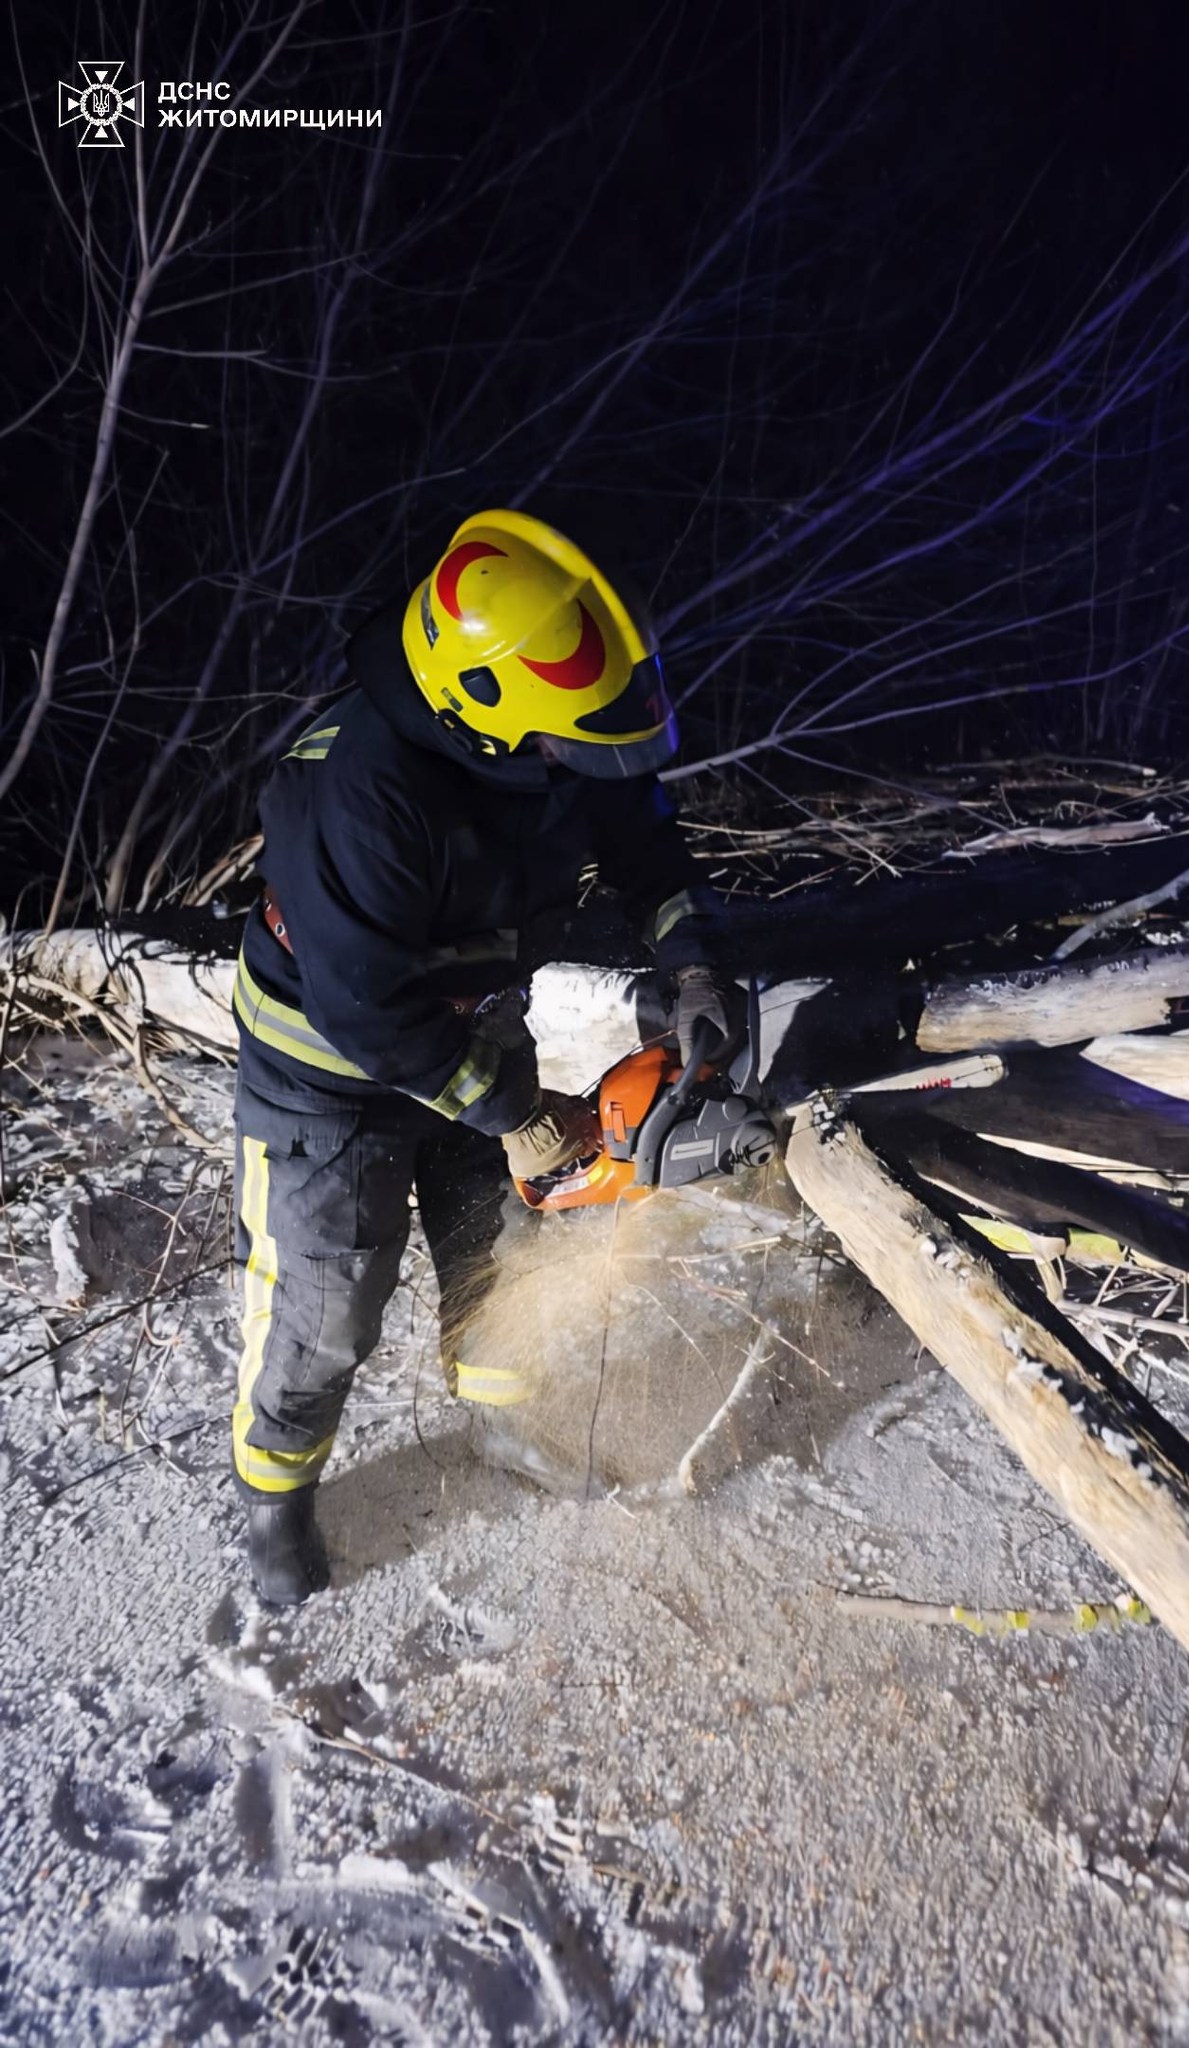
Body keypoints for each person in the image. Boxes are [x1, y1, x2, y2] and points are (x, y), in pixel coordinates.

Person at [230, 510, 734, 1603]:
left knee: (502, 1248)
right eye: (573, 742)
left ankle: (508, 1418)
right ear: (488, 713)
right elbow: (367, 1010)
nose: (590, 762)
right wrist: (508, 1109)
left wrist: (692, 967)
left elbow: (648, 842)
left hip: (474, 1025)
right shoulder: (361, 793)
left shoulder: (551, 743)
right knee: (328, 1302)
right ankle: (275, 1493)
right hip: (329, 1066)